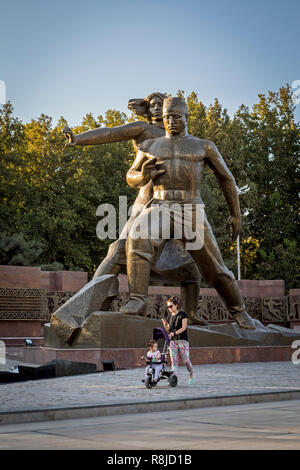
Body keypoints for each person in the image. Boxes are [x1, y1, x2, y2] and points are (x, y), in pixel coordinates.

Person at [63, 93, 206, 326]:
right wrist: (78, 139)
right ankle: (87, 304)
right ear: (146, 111)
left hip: (179, 207)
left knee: (188, 260)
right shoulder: (145, 131)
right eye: (154, 105)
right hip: (147, 203)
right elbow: (111, 133)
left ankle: (191, 313)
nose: (159, 108)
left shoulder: (185, 138)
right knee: (120, 249)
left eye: (163, 104)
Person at [121, 96, 255, 330]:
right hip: (160, 206)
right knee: (137, 237)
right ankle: (137, 300)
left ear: (186, 117)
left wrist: (236, 215)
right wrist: (143, 174)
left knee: (214, 267)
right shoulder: (150, 145)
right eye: (166, 117)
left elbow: (226, 178)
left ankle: (240, 312)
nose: (171, 121)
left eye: (176, 117)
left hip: (191, 208)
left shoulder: (203, 146)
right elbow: (130, 176)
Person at [162, 296, 194, 385]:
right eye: (168, 307)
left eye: (171, 306)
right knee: (174, 361)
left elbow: (183, 328)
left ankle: (191, 374)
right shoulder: (169, 316)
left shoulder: (182, 315)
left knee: (186, 360)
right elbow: (168, 330)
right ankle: (173, 379)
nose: (169, 308)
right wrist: (165, 325)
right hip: (172, 341)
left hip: (182, 340)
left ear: (176, 305)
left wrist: (175, 333)